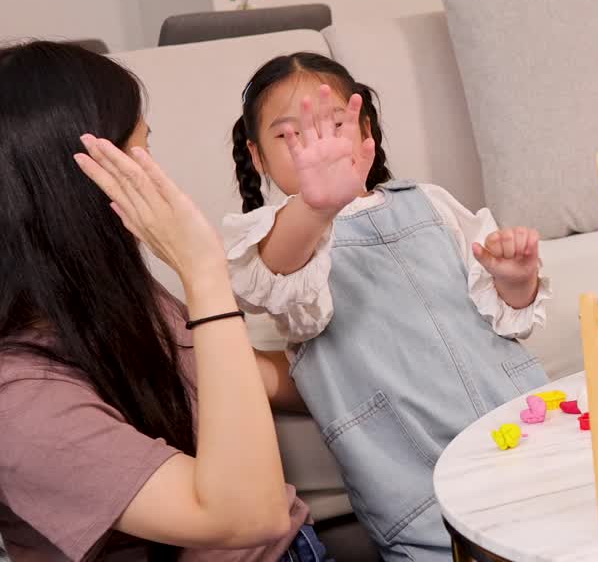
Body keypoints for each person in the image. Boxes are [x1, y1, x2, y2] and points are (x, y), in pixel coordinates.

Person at [0, 41, 319, 561]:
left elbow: (244, 375)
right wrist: (203, 272)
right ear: (75, 185)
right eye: (138, 151)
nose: (158, 173)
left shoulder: (105, 293)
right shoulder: (19, 402)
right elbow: (251, 516)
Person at [225, 52, 550, 560]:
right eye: (290, 136)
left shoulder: (431, 201)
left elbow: (507, 313)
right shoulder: (278, 238)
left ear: (365, 133)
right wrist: (315, 206)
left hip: (520, 425)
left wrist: (517, 280)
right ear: (258, 157)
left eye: (334, 125)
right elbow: (271, 277)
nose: (318, 146)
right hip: (414, 475)